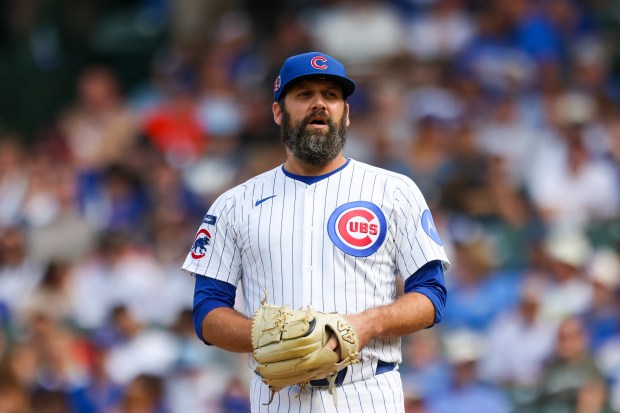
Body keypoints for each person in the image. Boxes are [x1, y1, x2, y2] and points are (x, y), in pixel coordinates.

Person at [183, 51, 450, 413]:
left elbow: (432, 295)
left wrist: (366, 324)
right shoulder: (235, 204)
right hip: (279, 396)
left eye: (331, 95)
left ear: (347, 112)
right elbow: (206, 310)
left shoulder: (394, 191)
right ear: (279, 112)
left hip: (368, 390)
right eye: (304, 94)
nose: (319, 104)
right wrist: (270, 337)